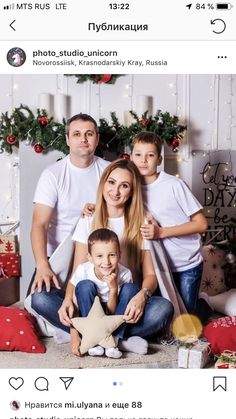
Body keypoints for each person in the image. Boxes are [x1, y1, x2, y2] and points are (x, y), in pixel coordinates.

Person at [58, 159, 174, 356]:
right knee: (41, 300)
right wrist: (68, 305)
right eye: (111, 182)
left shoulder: (142, 222)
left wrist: (142, 296)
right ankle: (118, 341)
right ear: (103, 184)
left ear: (132, 191)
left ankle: (108, 339)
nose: (116, 191)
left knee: (163, 308)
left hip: (124, 301)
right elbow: (77, 274)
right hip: (90, 300)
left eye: (124, 185)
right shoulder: (89, 219)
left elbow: (150, 275)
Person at [29, 113, 109, 295]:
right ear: (67, 139)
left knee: (89, 302)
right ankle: (72, 323)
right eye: (77, 134)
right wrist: (42, 265)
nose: (83, 139)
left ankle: (83, 319)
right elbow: (39, 224)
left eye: (89, 134)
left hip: (95, 256)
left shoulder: (109, 171)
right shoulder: (52, 174)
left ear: (97, 139)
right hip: (57, 255)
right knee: (38, 300)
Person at [130, 131, 208, 314]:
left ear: (159, 159)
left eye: (150, 155)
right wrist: (93, 206)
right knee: (169, 314)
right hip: (157, 265)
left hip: (186, 262)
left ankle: (204, 303)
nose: (143, 160)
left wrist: (161, 233)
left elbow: (201, 224)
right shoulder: (130, 187)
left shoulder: (174, 185)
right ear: (131, 156)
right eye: (138, 155)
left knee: (189, 314)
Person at [70, 227, 136, 359]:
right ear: (90, 257)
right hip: (89, 314)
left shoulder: (125, 274)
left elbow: (112, 315)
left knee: (131, 289)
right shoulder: (83, 270)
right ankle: (94, 340)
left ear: (119, 255)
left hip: (114, 314)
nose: (106, 262)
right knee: (84, 285)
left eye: (112, 255)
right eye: (99, 256)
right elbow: (75, 304)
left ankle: (113, 342)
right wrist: (74, 332)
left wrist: (113, 289)